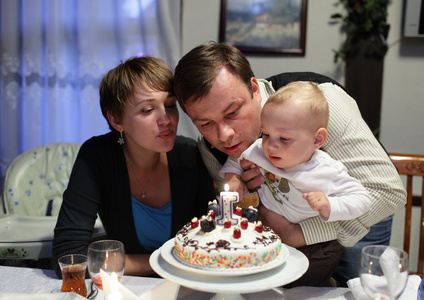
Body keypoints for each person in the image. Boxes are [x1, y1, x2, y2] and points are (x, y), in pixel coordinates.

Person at [173, 42, 406, 287]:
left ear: (254, 88)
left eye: (232, 113)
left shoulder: (322, 104)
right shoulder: (211, 150)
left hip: (360, 211)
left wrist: (303, 233)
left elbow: (387, 193)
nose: (224, 135)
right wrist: (249, 198)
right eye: (206, 124)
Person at [52, 56, 216, 278]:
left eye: (170, 105)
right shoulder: (97, 156)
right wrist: (164, 262)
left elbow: (212, 240)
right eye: (148, 110)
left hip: (188, 284)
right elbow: (69, 257)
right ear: (116, 120)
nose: (166, 119)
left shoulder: (191, 154)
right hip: (125, 287)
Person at [220, 81, 371, 224]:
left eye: (284, 138)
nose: (271, 146)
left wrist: (330, 205)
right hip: (266, 232)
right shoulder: (260, 149)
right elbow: (238, 158)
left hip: (314, 245)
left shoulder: (327, 171)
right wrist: (232, 176)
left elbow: (363, 200)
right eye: (266, 134)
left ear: (317, 139)